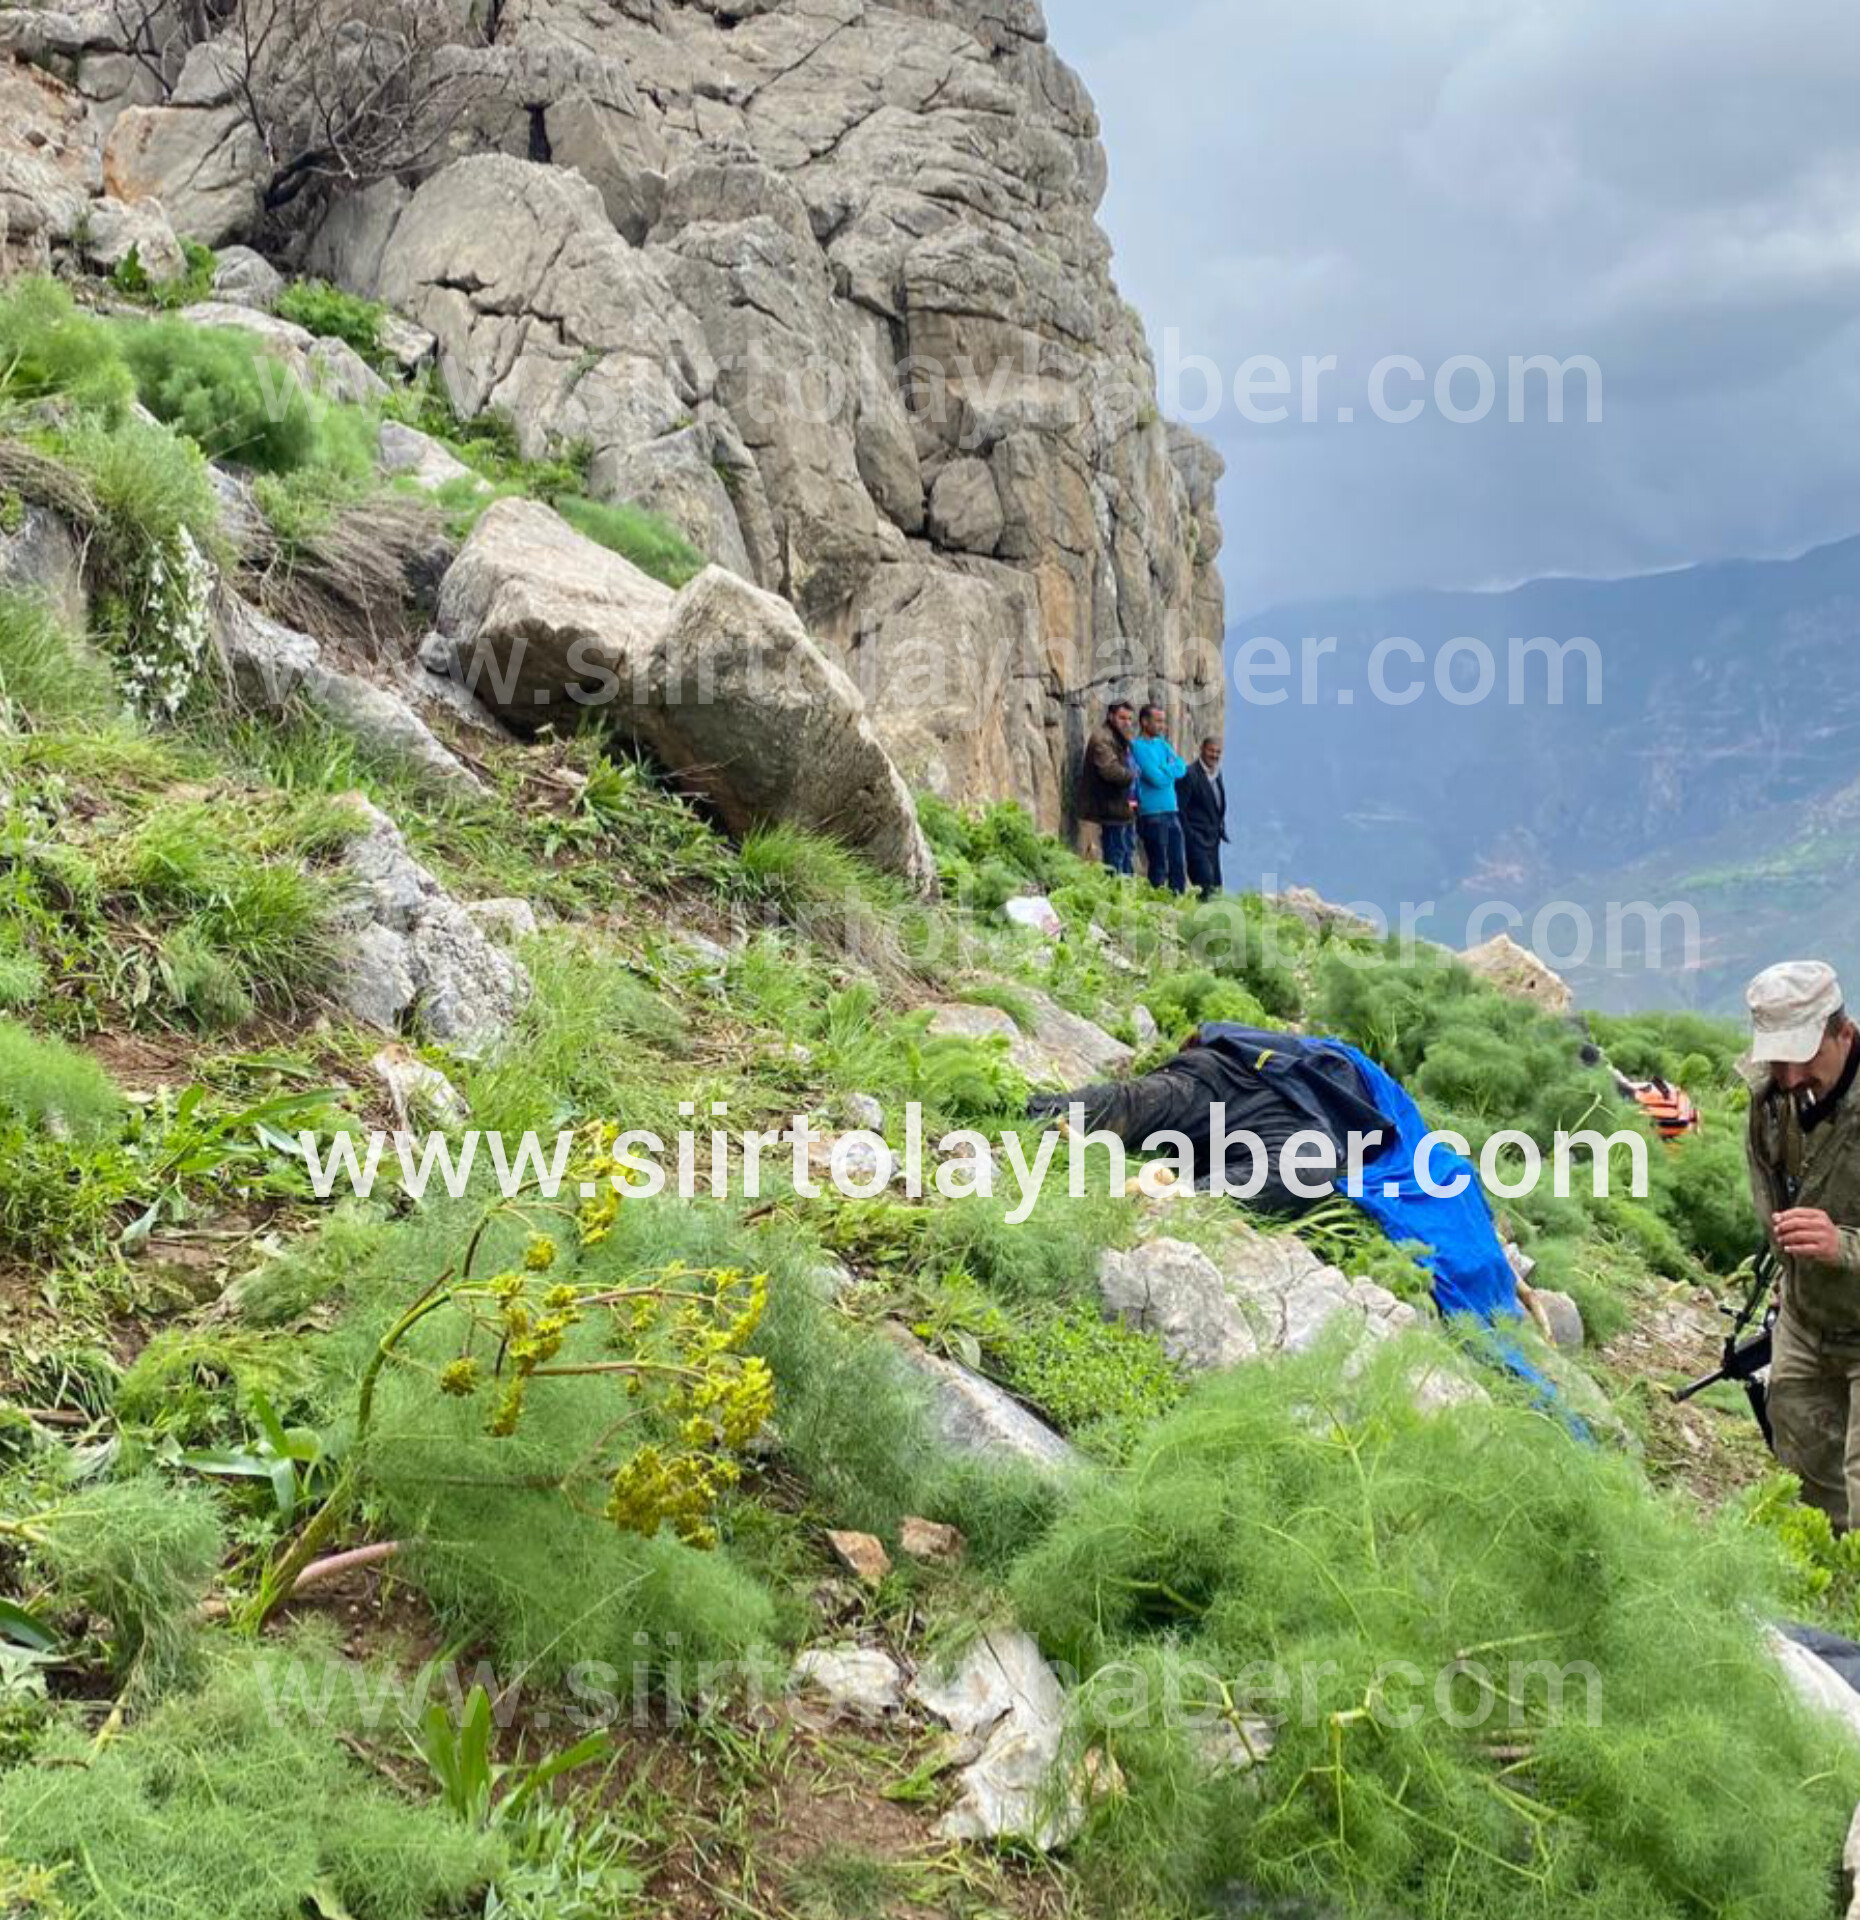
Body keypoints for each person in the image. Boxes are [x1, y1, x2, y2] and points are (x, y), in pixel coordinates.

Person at [1743, 961, 1860, 1531]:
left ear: (1844, 1033)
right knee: (1806, 1474)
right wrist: (1790, 1284)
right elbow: (1772, 1193)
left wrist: (1844, 1246)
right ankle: (1838, 1598)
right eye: (1779, 1058)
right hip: (1806, 1320)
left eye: (1805, 1056)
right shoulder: (1771, 1099)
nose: (1792, 1077)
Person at [1130, 704, 1188, 894]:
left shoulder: (1162, 743)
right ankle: (1158, 901)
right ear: (1145, 722)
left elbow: (1182, 767)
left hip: (1171, 810)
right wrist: (1169, 770)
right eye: (1158, 721)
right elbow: (1156, 778)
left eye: (1163, 721)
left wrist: (1166, 770)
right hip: (1152, 813)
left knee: (1178, 862)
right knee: (1158, 863)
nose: (1162, 725)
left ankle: (1178, 900)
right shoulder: (1138, 747)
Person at [1075, 700, 1138, 874]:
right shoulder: (1102, 738)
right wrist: (1134, 775)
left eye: (1129, 719)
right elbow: (1110, 771)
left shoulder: (1121, 738)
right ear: (1111, 716)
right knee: (1114, 862)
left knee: (1125, 858)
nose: (1126, 722)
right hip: (1106, 812)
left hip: (1120, 811)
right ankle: (1116, 897)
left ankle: (1125, 898)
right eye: (1122, 718)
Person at [1177, 735, 1229, 898]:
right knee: (1204, 881)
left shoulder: (1216, 774)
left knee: (1216, 884)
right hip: (1196, 838)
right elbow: (1180, 808)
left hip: (1212, 839)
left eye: (1218, 752)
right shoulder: (1190, 774)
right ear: (1202, 750)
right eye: (1211, 751)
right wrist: (1190, 835)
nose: (1214, 755)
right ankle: (1202, 918)